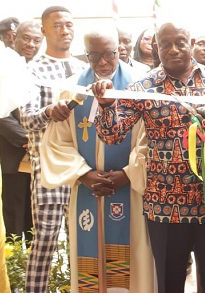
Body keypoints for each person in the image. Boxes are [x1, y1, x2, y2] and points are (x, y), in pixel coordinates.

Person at [90, 23, 205, 293]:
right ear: (156, 47)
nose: (174, 49)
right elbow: (112, 136)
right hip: (165, 207)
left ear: (191, 43)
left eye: (180, 42)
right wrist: (107, 106)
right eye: (165, 44)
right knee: (169, 282)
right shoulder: (143, 87)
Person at [39, 27, 155, 292]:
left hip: (131, 190)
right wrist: (83, 174)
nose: (102, 62)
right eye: (94, 56)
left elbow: (151, 138)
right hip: (87, 191)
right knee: (89, 266)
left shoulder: (141, 84)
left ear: (119, 50)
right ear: (86, 54)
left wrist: (127, 174)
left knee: (132, 267)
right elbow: (57, 140)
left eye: (108, 54)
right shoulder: (72, 88)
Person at [20, 6, 87, 292]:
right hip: (48, 166)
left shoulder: (85, 69)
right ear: (44, 30)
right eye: (57, 25)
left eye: (69, 25)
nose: (64, 30)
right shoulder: (33, 69)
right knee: (46, 237)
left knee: (83, 237)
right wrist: (50, 110)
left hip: (84, 167)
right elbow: (27, 119)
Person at [0, 21, 42, 243]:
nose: (31, 44)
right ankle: (14, 265)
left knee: (33, 218)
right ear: (14, 37)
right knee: (13, 216)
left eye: (37, 40)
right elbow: (0, 113)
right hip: (13, 157)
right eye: (26, 38)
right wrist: (30, 139)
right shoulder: (1, 67)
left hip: (38, 160)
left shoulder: (41, 69)